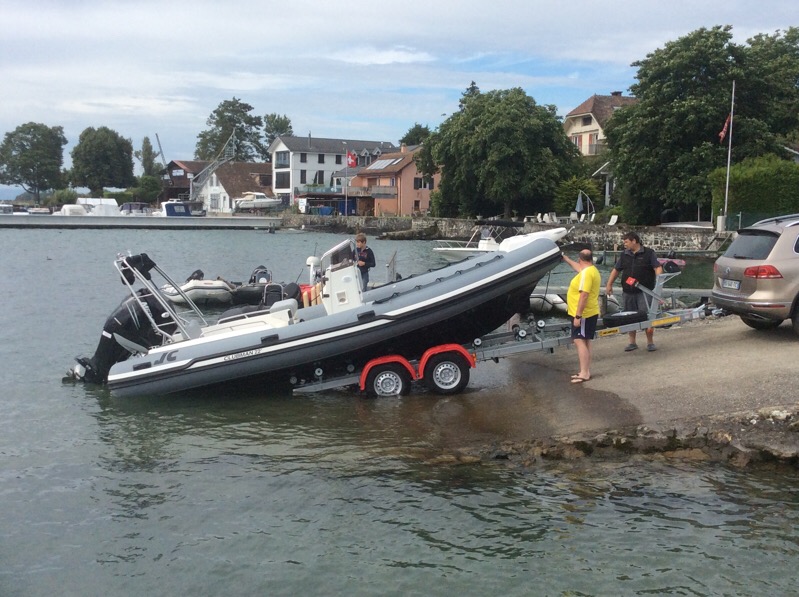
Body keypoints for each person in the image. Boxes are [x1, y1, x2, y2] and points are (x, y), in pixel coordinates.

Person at [605, 231, 663, 352]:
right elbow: (616, 270)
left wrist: (659, 284)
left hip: (645, 292)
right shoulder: (624, 254)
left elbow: (657, 267)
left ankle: (650, 342)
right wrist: (609, 284)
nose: (624, 244)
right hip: (628, 292)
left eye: (626, 242)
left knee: (647, 316)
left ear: (634, 241)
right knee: (629, 317)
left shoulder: (649, 253)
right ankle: (632, 342)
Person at [563, 249, 601, 384]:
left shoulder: (586, 274)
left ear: (580, 259)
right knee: (585, 340)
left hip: (583, 314)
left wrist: (578, 316)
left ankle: (584, 372)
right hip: (590, 312)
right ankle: (585, 370)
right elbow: (579, 268)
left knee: (579, 340)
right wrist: (567, 260)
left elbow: (584, 295)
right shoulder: (591, 270)